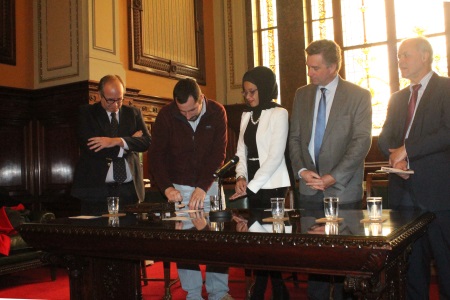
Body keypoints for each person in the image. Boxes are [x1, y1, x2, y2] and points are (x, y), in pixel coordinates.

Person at [288, 39, 372, 299]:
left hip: (343, 191)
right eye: (308, 67)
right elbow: (294, 139)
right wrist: (301, 170)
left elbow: (361, 142)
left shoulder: (358, 95)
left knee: (347, 261)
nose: (310, 73)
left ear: (333, 67)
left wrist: (333, 176)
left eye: (315, 68)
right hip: (310, 192)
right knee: (316, 264)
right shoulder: (302, 94)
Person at [378, 37, 450, 299]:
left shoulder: (446, 88)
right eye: (398, 57)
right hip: (403, 194)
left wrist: (407, 149)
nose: (400, 61)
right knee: (411, 270)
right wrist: (396, 155)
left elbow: (446, 132)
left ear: (425, 56)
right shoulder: (397, 98)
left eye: (405, 55)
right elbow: (386, 137)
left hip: (439, 197)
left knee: (446, 266)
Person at [148, 77, 232, 300]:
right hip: (180, 188)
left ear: (201, 98)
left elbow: (218, 155)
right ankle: (193, 294)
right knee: (185, 245)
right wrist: (166, 188)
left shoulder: (217, 112)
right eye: (182, 111)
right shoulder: (166, 115)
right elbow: (156, 156)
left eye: (192, 110)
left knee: (216, 241)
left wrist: (203, 187)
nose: (187, 116)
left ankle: (219, 293)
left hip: (211, 186)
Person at [230, 66, 291, 300]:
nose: (248, 97)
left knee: (269, 241)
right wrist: (241, 178)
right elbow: (240, 153)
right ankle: (278, 291)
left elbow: (276, 156)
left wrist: (251, 186)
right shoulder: (246, 115)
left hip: (273, 184)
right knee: (258, 242)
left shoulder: (279, 113)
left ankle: (259, 292)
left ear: (264, 89)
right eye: (245, 93)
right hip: (253, 183)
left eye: (252, 91)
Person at [71, 74, 151, 215]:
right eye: (110, 100)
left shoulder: (133, 113)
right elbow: (93, 147)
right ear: (100, 95)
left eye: (119, 100)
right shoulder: (87, 113)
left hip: (129, 190)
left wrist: (116, 141)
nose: (115, 105)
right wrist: (129, 144)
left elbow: (146, 142)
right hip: (96, 190)